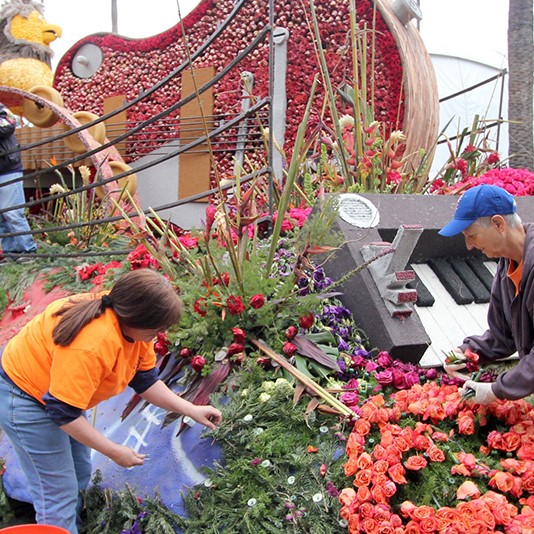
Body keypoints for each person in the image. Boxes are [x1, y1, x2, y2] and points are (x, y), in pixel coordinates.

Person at [0, 268, 222, 533]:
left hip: (60, 397)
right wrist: (113, 451)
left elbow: (145, 382)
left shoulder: (134, 329)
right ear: (137, 318)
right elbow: (63, 413)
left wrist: (191, 409)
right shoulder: (92, 344)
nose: (160, 334)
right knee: (57, 492)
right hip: (25, 396)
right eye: (157, 328)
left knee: (80, 471)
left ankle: (75, 526)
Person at [438, 183, 534, 404]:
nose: (469, 245)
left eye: (472, 235)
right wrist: (466, 352)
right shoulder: (506, 266)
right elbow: (503, 336)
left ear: (498, 223)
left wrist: (496, 390)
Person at [0, 102, 37, 263]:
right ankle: (11, 252)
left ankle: (28, 250)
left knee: (13, 212)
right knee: (2, 216)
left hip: (8, 168)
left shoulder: (1, 109)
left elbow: (9, 124)